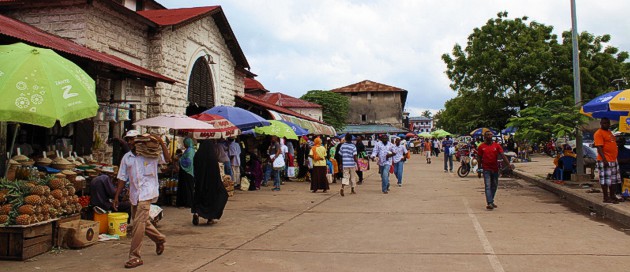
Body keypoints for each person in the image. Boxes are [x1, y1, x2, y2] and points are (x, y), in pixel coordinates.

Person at [114, 130, 170, 269]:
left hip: (146, 193)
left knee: (138, 224)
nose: (130, 142)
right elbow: (122, 177)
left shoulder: (150, 155)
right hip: (134, 194)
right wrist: (116, 196)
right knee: (142, 222)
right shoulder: (127, 158)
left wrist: (161, 142)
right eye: (128, 140)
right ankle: (159, 239)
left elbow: (168, 160)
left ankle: (135, 256)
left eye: (132, 139)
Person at [191, 140, 229, 225]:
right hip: (211, 183)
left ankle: (196, 213)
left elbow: (195, 168)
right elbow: (216, 172)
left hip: (199, 182)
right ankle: (210, 218)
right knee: (218, 197)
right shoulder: (212, 157)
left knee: (199, 198)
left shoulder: (198, 155)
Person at [477, 130, 510, 210]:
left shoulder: (497, 146)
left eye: (491, 135)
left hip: (495, 168)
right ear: (485, 137)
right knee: (488, 186)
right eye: (487, 135)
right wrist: (479, 169)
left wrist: (508, 164)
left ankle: (491, 200)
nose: (489, 136)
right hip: (486, 169)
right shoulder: (481, 147)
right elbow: (479, 158)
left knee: (494, 185)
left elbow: (502, 155)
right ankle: (489, 202)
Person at [594, 118, 622, 204]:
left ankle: (612, 196)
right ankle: (606, 197)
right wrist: (604, 159)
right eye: (604, 123)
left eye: (608, 123)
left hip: (613, 159)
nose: (606, 124)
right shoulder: (598, 133)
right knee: (605, 180)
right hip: (605, 160)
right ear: (601, 123)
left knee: (614, 179)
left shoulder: (609, 132)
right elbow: (599, 147)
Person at [176, 137, 195, 208]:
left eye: (184, 143)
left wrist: (180, 160)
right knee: (186, 187)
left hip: (187, 171)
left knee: (187, 188)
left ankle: (188, 203)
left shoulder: (190, 151)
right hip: (186, 172)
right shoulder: (189, 150)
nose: (184, 144)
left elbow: (188, 162)